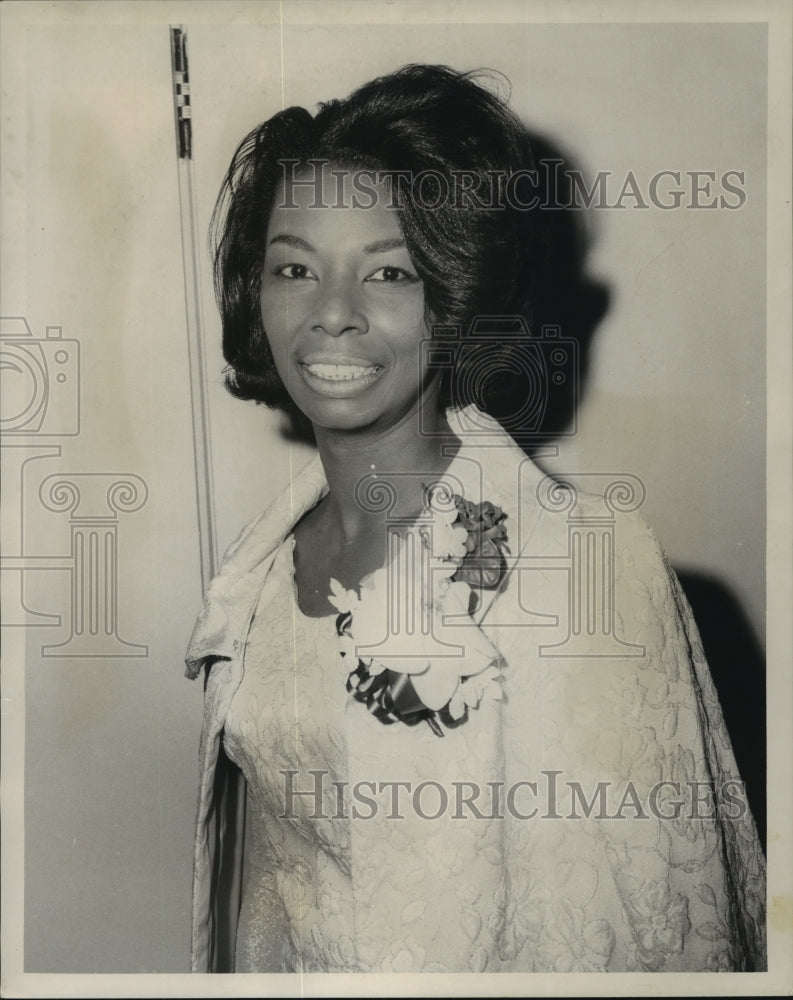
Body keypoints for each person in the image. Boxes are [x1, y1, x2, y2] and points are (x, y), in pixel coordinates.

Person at [185, 64, 766, 974]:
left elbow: (665, 931)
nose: (330, 315)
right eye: (294, 266)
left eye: (389, 271)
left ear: (452, 296)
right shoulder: (254, 576)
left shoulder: (587, 566)